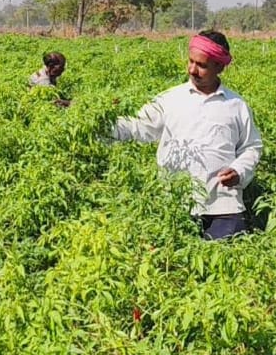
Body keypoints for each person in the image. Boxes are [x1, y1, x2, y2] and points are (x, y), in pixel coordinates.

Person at [110, 30, 263, 240]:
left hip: (222, 206)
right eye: (190, 61)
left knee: (226, 261)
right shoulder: (169, 99)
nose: (192, 70)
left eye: (201, 65)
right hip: (176, 203)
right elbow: (138, 126)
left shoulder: (236, 105)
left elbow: (251, 147)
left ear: (219, 66)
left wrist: (238, 171)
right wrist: (100, 123)